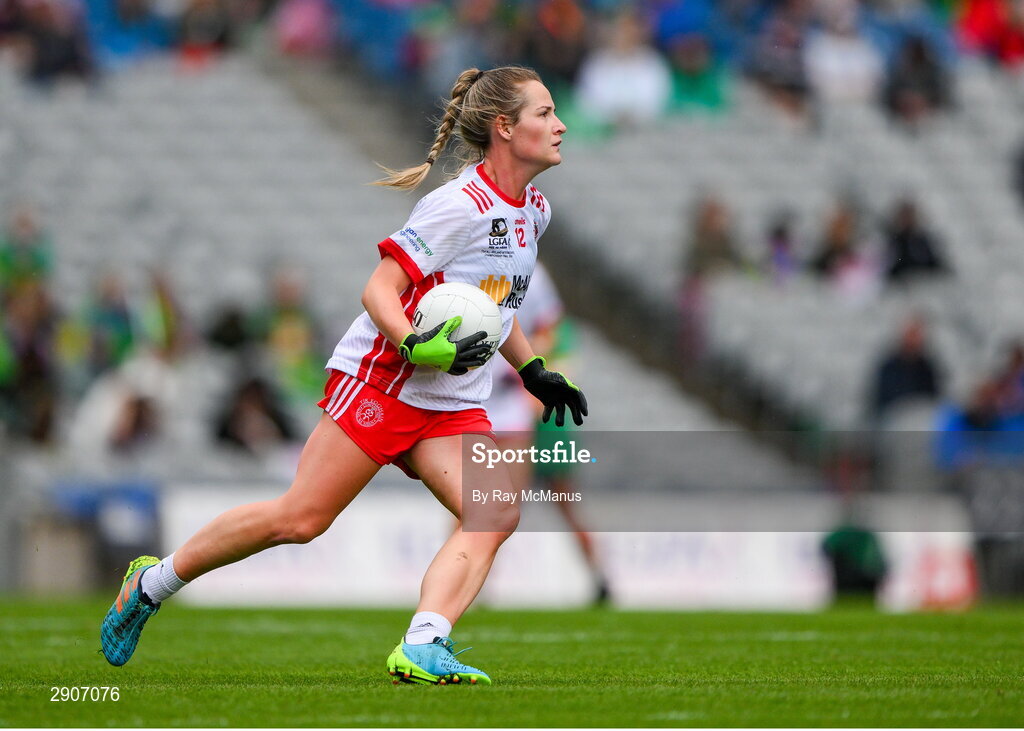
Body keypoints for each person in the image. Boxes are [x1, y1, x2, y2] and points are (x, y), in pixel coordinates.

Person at [99, 66, 587, 687]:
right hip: (385, 381)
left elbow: (495, 308)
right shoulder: (458, 207)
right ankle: (150, 584)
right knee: (300, 519)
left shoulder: (534, 211)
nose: (559, 124)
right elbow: (380, 288)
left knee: (493, 512)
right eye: (544, 113)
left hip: (452, 400)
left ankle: (425, 643)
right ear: (504, 127)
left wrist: (535, 371)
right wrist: (415, 342)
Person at [483, 262, 610, 605]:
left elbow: (562, 362)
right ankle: (479, 582)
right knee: (496, 503)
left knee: (563, 500)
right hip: (512, 416)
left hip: (545, 422)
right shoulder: (525, 315)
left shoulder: (552, 326)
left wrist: (533, 389)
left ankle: (600, 576)